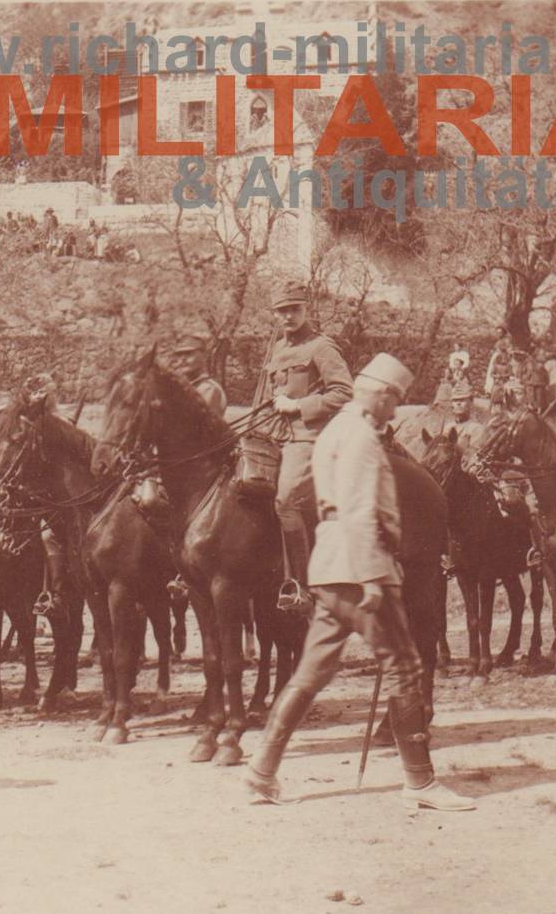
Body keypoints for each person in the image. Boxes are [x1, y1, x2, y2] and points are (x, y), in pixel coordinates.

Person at [243, 354, 476, 812]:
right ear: (383, 394)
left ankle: (261, 771)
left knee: (311, 673)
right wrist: (374, 576)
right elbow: (358, 507)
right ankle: (421, 782)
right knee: (405, 668)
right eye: (396, 402)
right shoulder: (362, 439)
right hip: (362, 570)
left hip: (329, 568)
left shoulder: (333, 430)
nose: (396, 412)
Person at [251, 280, 353, 613]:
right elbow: (270, 398)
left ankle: (304, 586)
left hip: (310, 437)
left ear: (305, 309)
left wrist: (298, 407)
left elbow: (344, 393)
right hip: (275, 435)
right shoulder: (277, 351)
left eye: (294, 309)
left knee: (285, 500)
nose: (288, 317)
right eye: (282, 311)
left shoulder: (322, 347)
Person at [163, 334, 228, 416]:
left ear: (204, 355)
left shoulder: (209, 389)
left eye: (189, 353)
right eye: (179, 354)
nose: (183, 359)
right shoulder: (183, 386)